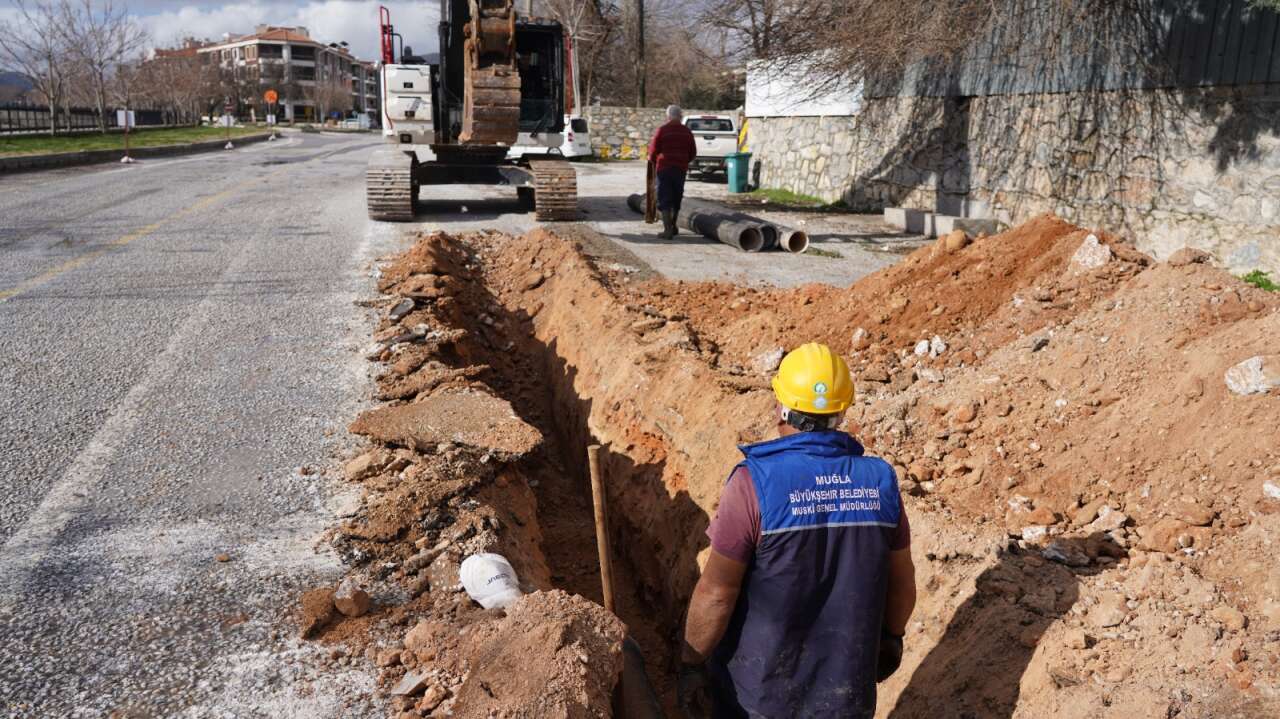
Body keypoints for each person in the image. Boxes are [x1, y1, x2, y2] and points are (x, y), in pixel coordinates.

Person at [677, 343, 917, 718]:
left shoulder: (753, 484)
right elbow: (902, 581)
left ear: (781, 406)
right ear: (842, 410)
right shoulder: (880, 482)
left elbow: (717, 593)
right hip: (846, 701)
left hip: (757, 703)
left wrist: (692, 663)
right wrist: (892, 637)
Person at [647, 105, 697, 240]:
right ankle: (673, 227)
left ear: (668, 116)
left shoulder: (662, 130)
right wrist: (683, 161)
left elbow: (653, 150)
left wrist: (653, 161)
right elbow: (693, 152)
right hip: (680, 169)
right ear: (680, 116)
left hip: (664, 168)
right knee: (676, 197)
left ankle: (667, 230)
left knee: (664, 198)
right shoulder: (687, 132)